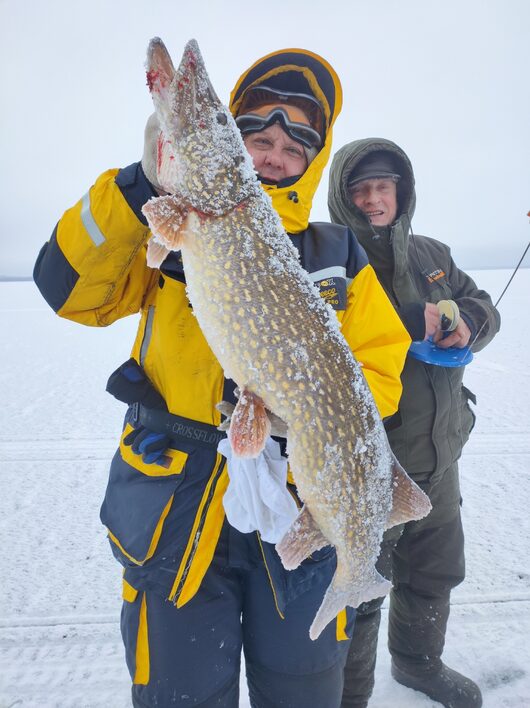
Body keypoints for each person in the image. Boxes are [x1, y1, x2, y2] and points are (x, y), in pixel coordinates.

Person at [33, 49, 411, 708]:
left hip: (302, 501)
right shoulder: (168, 220)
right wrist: (138, 185)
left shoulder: (339, 254)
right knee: (181, 693)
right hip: (175, 506)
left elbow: (381, 361)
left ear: (312, 159)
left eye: (292, 146)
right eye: (255, 139)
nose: (272, 155)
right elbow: (67, 290)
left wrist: (304, 401)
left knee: (303, 692)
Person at [328, 138, 501, 708]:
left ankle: (419, 665)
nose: (374, 199)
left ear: (401, 193)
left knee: (435, 571)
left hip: (440, 454)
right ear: (344, 197)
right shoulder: (330, 256)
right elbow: (328, 337)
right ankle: (348, 694)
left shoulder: (434, 255)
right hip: (370, 464)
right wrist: (409, 320)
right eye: (362, 189)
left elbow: (482, 304)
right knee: (361, 587)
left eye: (384, 187)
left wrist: (467, 322)